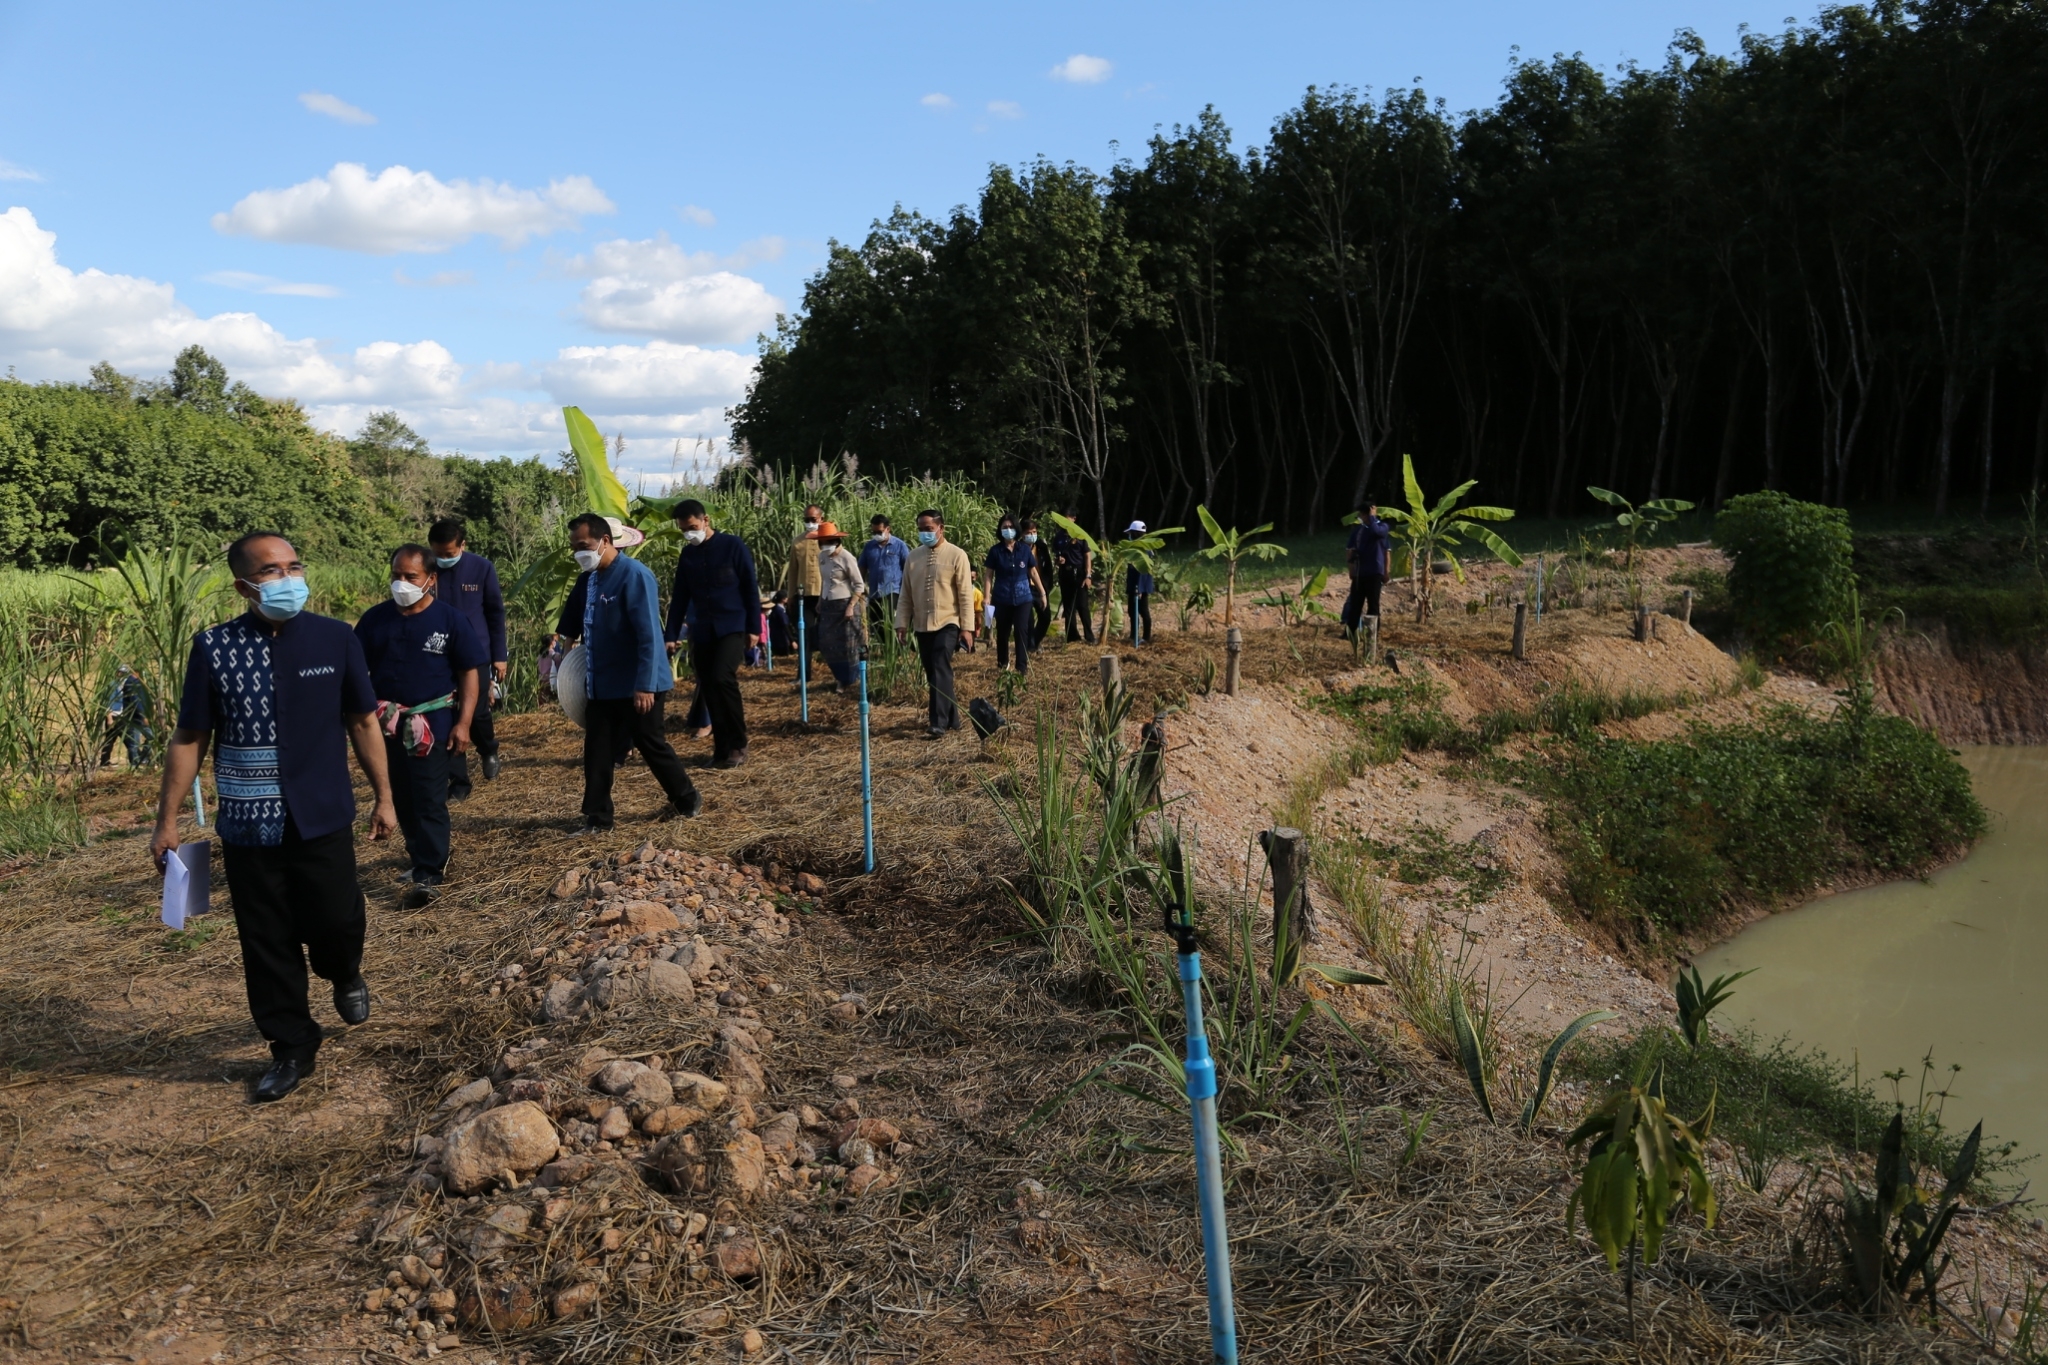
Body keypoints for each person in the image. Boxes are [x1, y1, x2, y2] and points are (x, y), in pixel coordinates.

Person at [151, 531, 398, 1103]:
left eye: (294, 567)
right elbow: (190, 736)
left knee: (336, 920)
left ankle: (343, 970)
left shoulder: (336, 639)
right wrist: (166, 821)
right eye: (271, 572)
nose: (288, 580)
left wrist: (384, 797)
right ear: (243, 586)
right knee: (265, 939)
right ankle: (290, 1047)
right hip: (247, 822)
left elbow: (363, 722)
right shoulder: (214, 647)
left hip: (323, 812)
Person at [552, 514, 702, 833]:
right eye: (574, 547)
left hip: (639, 681)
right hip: (603, 682)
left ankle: (686, 798)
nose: (579, 552)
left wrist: (645, 685)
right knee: (598, 750)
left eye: (584, 546)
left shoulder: (634, 575)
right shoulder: (592, 579)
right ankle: (598, 818)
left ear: (605, 541)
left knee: (650, 742)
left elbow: (648, 634)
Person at [354, 544, 485, 907]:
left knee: (428, 796)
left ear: (431, 579)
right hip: (387, 723)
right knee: (401, 793)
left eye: (410, 576)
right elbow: (354, 669)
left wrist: (464, 723)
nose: (402, 583)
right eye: (396, 575)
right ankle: (416, 856)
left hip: (434, 723)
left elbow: (469, 674)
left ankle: (431, 869)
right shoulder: (375, 620)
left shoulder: (450, 621)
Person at [663, 499, 760, 769]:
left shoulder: (732, 546)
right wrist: (670, 634)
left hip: (732, 625)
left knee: (722, 678)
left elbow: (750, 588)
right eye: (683, 530)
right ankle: (721, 749)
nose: (688, 533)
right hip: (702, 628)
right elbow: (680, 596)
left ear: (706, 520)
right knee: (708, 685)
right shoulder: (688, 555)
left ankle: (738, 744)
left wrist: (754, 627)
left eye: (692, 527)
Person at [427, 518, 507, 800]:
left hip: (477, 654)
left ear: (462, 545)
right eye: (438, 553)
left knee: (477, 713)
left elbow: (495, 614)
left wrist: (500, 656)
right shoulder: (425, 569)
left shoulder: (481, 568)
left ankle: (488, 749)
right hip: (438, 652)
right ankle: (459, 781)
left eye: (449, 553)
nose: (443, 559)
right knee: (447, 715)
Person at [896, 508, 975, 738]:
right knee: (934, 672)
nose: (924, 533)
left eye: (928, 529)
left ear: (941, 528)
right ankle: (953, 718)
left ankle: (937, 723)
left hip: (948, 622)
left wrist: (967, 629)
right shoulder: (913, 557)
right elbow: (905, 595)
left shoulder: (957, 555)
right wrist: (901, 623)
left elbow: (965, 595)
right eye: (921, 529)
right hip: (922, 624)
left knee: (940, 664)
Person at [809, 520, 867, 689]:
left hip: (845, 606)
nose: (824, 545)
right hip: (828, 605)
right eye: (822, 542)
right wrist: (821, 600)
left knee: (848, 646)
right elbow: (824, 581)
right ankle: (839, 676)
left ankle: (849, 679)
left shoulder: (847, 557)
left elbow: (859, 585)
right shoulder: (822, 557)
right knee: (827, 643)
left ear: (835, 541)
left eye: (828, 542)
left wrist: (851, 606)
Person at [984, 514, 1045, 674]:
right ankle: (1003, 663)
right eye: (1005, 527)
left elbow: (1033, 572)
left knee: (1021, 631)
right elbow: (989, 575)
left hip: (1023, 597)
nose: (1008, 530)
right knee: (1003, 632)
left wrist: (1042, 592)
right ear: (1000, 530)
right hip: (1002, 597)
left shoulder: (1024, 549)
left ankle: (1022, 667)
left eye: (1011, 527)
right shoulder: (995, 551)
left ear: (1016, 529)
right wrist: (986, 596)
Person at [781, 503, 825, 678]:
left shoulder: (829, 538)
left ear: (821, 518)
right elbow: (792, 571)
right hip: (805, 595)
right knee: (804, 635)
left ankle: (842, 675)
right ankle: (804, 674)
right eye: (806, 520)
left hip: (826, 594)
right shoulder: (798, 542)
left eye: (813, 519)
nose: (809, 523)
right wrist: (791, 595)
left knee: (830, 634)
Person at [1343, 500, 1394, 635]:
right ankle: (1350, 632)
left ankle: (1372, 634)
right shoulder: (1358, 532)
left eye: (1362, 514)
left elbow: (1382, 543)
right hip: (1360, 573)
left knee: (1373, 605)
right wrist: (1351, 569)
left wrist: (1386, 571)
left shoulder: (1382, 527)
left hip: (1375, 573)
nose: (1360, 517)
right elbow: (1350, 550)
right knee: (1355, 604)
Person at [859, 514, 909, 638]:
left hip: (893, 591)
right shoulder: (869, 547)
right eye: (874, 532)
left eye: (879, 531)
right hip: (875, 592)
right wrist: (861, 586)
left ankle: (896, 650)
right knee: (876, 624)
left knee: (891, 622)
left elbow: (908, 568)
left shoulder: (899, 546)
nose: (877, 534)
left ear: (888, 529)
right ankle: (883, 652)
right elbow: (862, 567)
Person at [99, 663, 153, 768]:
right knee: (110, 739)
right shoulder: (113, 685)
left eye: (123, 673)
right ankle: (104, 762)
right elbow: (108, 701)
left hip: (124, 716)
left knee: (129, 740)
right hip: (114, 715)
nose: (120, 674)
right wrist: (109, 717)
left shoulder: (128, 684)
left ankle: (138, 759)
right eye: (119, 672)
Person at [1053, 513, 1095, 643]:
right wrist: (1058, 561)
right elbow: (1056, 557)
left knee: (1082, 606)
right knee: (1068, 607)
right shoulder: (1059, 537)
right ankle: (1072, 637)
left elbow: (1087, 556)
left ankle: (1089, 636)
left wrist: (1088, 575)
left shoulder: (1080, 535)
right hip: (1065, 574)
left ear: (1073, 518)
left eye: (1068, 517)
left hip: (1080, 574)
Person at [1025, 518, 1056, 648]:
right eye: (1029, 532)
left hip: (1040, 587)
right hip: (1025, 588)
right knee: (1028, 620)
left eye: (1034, 532)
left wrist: (1047, 585)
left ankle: (1035, 642)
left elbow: (1048, 567)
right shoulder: (1018, 548)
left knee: (1045, 618)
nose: (1032, 535)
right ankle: (1030, 647)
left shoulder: (1041, 547)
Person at [1123, 520, 1155, 646]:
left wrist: (1139, 589)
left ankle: (1146, 637)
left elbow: (1143, 571)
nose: (1130, 535)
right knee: (1132, 611)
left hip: (1141, 585)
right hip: (1133, 584)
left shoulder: (1144, 549)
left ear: (1136, 533)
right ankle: (1133, 635)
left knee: (1143, 611)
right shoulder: (1135, 547)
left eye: (1131, 533)